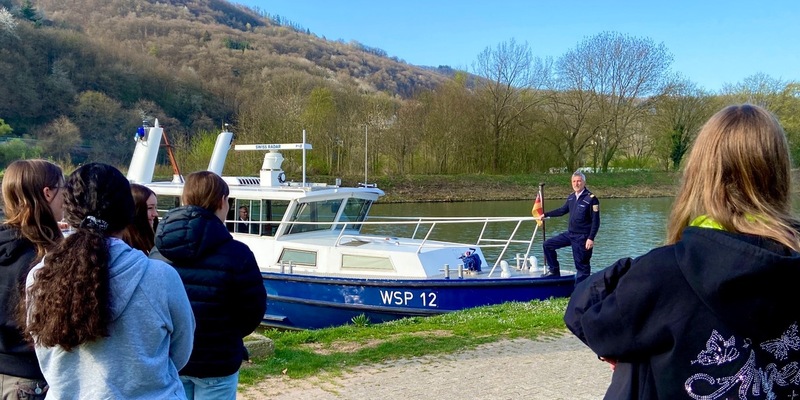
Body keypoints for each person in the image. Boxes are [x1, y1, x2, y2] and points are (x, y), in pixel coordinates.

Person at [564, 104, 800, 399]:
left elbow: (586, 317)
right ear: (779, 174)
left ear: (700, 173)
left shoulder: (665, 273)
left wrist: (630, 269)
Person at [25, 163, 195, 399]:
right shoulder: (160, 277)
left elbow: (42, 347)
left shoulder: (41, 275)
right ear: (128, 213)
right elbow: (181, 350)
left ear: (67, 208)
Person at [150, 171, 267, 400]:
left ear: (185, 199)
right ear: (222, 201)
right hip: (218, 359)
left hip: (173, 358)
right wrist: (227, 334)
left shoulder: (158, 251)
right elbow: (253, 309)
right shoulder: (237, 253)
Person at [0, 160, 64, 399]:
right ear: (48, 193)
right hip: (29, 380)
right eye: (64, 188)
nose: (66, 197)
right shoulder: (45, 257)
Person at [539, 171, 600, 284]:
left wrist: (591, 238)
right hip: (570, 234)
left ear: (584, 182)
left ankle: (581, 291)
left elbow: (596, 221)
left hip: (583, 237)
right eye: (574, 181)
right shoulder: (571, 197)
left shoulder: (591, 199)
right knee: (548, 245)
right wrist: (546, 214)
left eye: (579, 181)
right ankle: (554, 271)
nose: (576, 184)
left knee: (581, 266)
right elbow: (562, 211)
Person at [122, 183, 158, 254]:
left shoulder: (149, 238)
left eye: (155, 207)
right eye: (150, 208)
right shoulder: (124, 246)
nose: (155, 214)